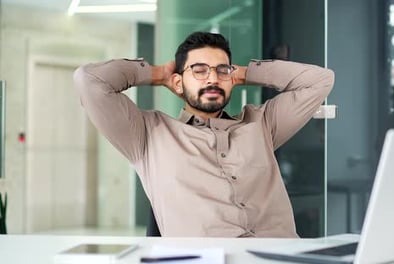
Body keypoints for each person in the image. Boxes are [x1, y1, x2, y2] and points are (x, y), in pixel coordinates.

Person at [74, 31, 334, 238]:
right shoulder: (147, 135)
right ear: (178, 82)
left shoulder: (262, 124)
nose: (212, 79)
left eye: (221, 70)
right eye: (199, 71)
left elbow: (320, 80)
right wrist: (157, 74)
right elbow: (89, 80)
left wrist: (242, 72)